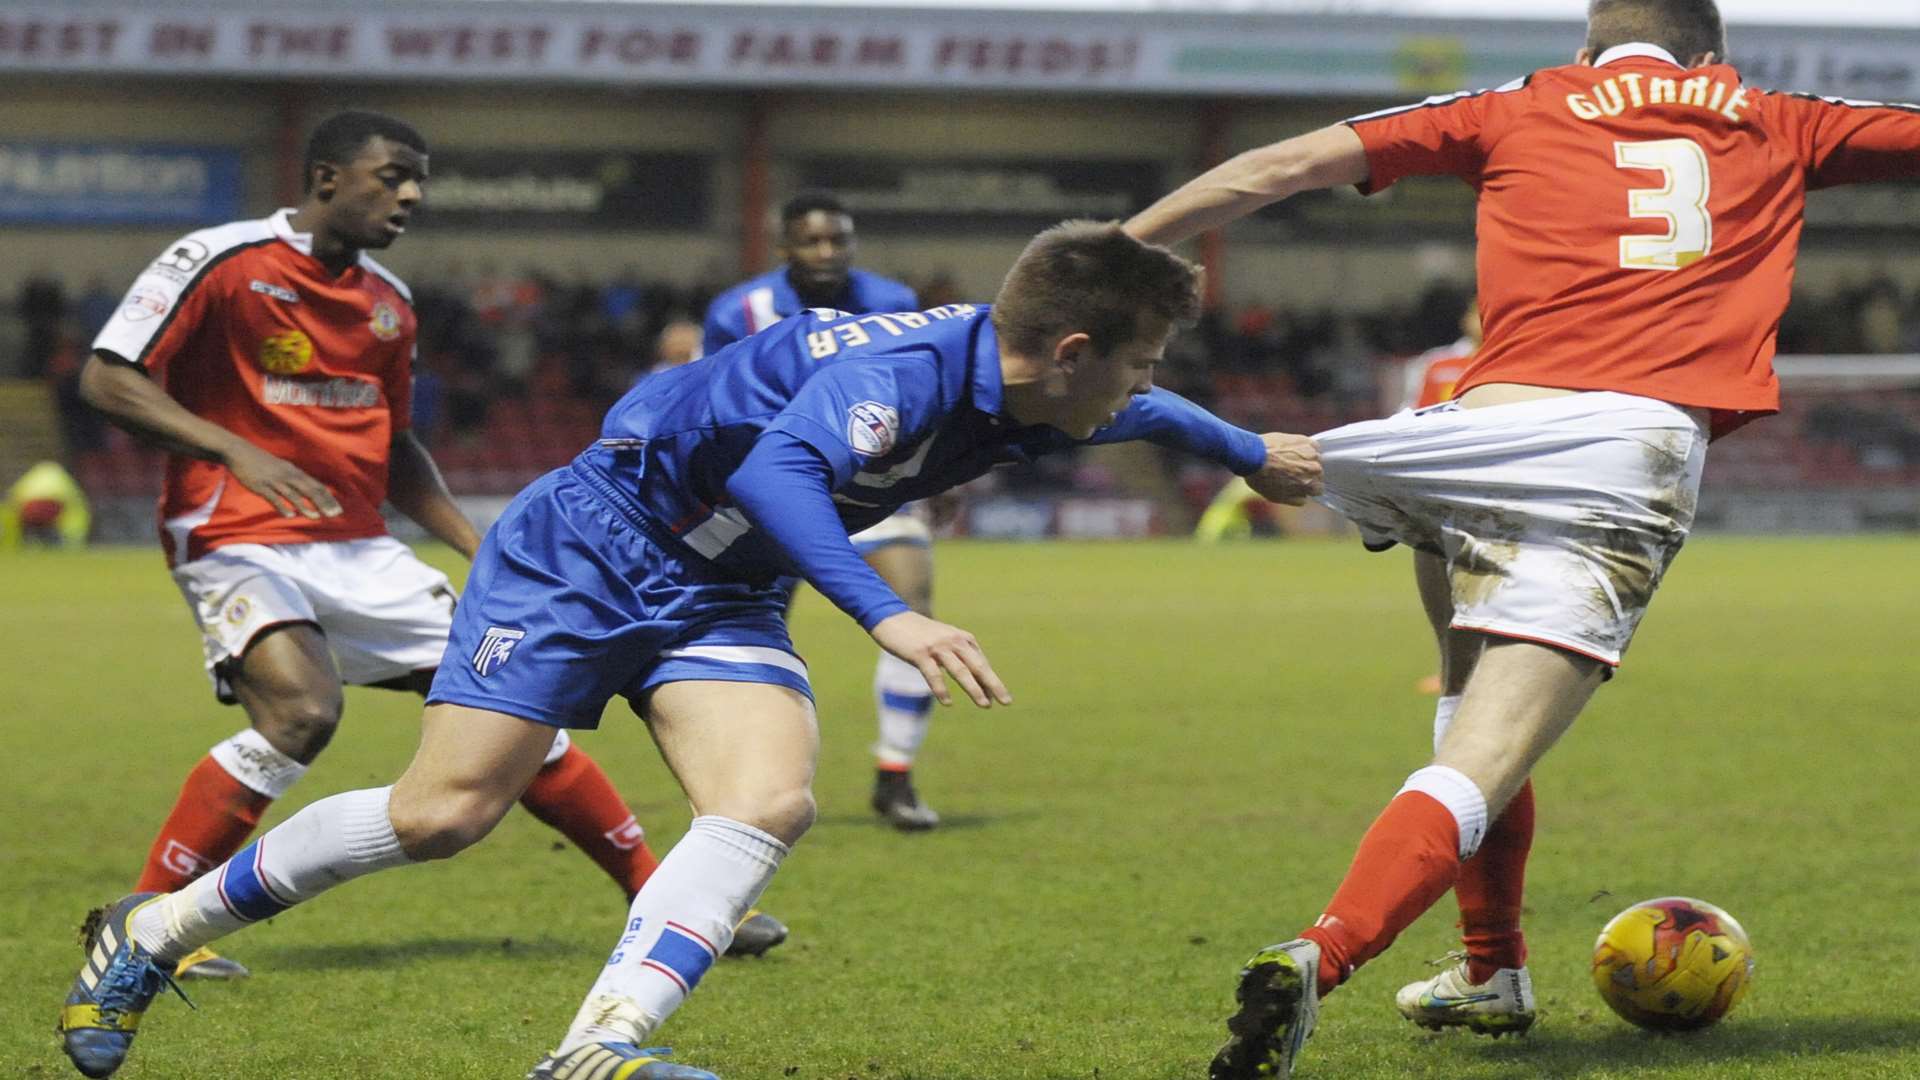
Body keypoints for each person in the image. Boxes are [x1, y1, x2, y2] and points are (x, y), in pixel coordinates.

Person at [55, 220, 1324, 1080]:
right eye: (1137, 357)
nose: (1141, 384)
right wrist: (891, 613)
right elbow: (782, 470)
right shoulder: (907, 377)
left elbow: (1146, 407)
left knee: (770, 797)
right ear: (1072, 351)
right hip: (590, 545)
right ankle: (153, 932)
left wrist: (1252, 452)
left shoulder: (1034, 379)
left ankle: (598, 1047)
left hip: (722, 585)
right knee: (443, 816)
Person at [1128, 2, 1920, 1076]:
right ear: (1712, 57)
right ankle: (1324, 952)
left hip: (1469, 438)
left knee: (1328, 517)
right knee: (1482, 756)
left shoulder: (1521, 102)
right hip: (1629, 451)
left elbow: (1286, 163)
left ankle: (1491, 971)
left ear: (1586, 49)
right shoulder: (1775, 116)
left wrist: (1114, 253)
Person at [62, 111, 783, 995]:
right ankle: (146, 915)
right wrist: (234, 448)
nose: (409, 196)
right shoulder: (220, 258)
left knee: (519, 704)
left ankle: (652, 890)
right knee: (300, 714)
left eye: (419, 181)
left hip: (361, 547)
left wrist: (484, 546)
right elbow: (107, 376)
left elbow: (397, 446)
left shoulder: (387, 303)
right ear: (327, 177)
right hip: (234, 531)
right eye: (392, 176)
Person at [704, 192, 946, 831]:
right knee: (753, 633)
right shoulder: (739, 311)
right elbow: (710, 400)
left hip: (869, 485)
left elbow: (924, 389)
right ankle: (741, 785)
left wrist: (940, 468)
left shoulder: (892, 302)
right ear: (783, 248)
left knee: (911, 600)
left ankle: (895, 776)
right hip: (770, 494)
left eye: (838, 241)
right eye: (812, 242)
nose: (827, 253)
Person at [1401, 297, 1481, 697]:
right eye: (1477, 312)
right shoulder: (1438, 365)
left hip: (1499, 480)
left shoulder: (1521, 362)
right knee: (1448, 577)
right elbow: (1413, 413)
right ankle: (1453, 667)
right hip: (1447, 480)